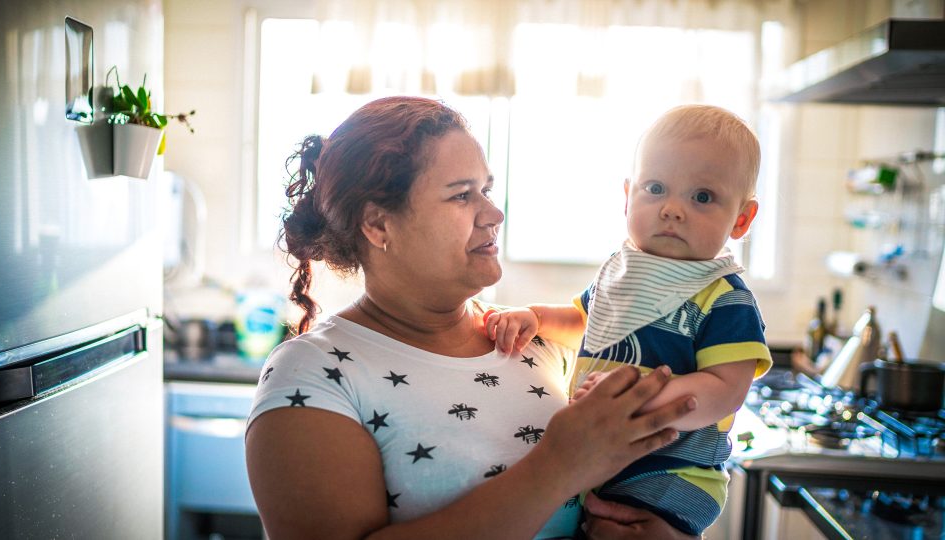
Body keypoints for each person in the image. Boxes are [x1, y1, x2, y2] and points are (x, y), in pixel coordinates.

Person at [244, 96, 700, 540]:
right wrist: (557, 467)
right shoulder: (314, 375)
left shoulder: (531, 338)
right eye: (462, 195)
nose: (494, 213)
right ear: (378, 225)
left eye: (486, 189)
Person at [485, 104, 774, 536]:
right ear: (627, 197)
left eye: (702, 197)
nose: (673, 209)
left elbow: (724, 391)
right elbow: (588, 323)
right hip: (602, 465)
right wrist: (536, 317)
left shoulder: (724, 298)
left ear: (742, 219)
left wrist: (639, 397)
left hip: (668, 477)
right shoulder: (623, 271)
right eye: (655, 188)